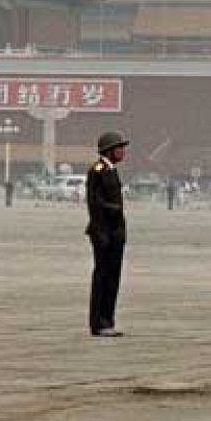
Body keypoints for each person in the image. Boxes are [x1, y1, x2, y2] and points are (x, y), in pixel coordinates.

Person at [86, 131, 129, 337]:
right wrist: (101, 230)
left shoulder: (111, 170)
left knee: (113, 278)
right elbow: (94, 204)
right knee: (102, 278)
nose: (123, 151)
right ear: (109, 150)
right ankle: (98, 322)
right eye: (119, 147)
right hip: (104, 233)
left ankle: (108, 321)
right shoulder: (98, 170)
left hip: (116, 233)